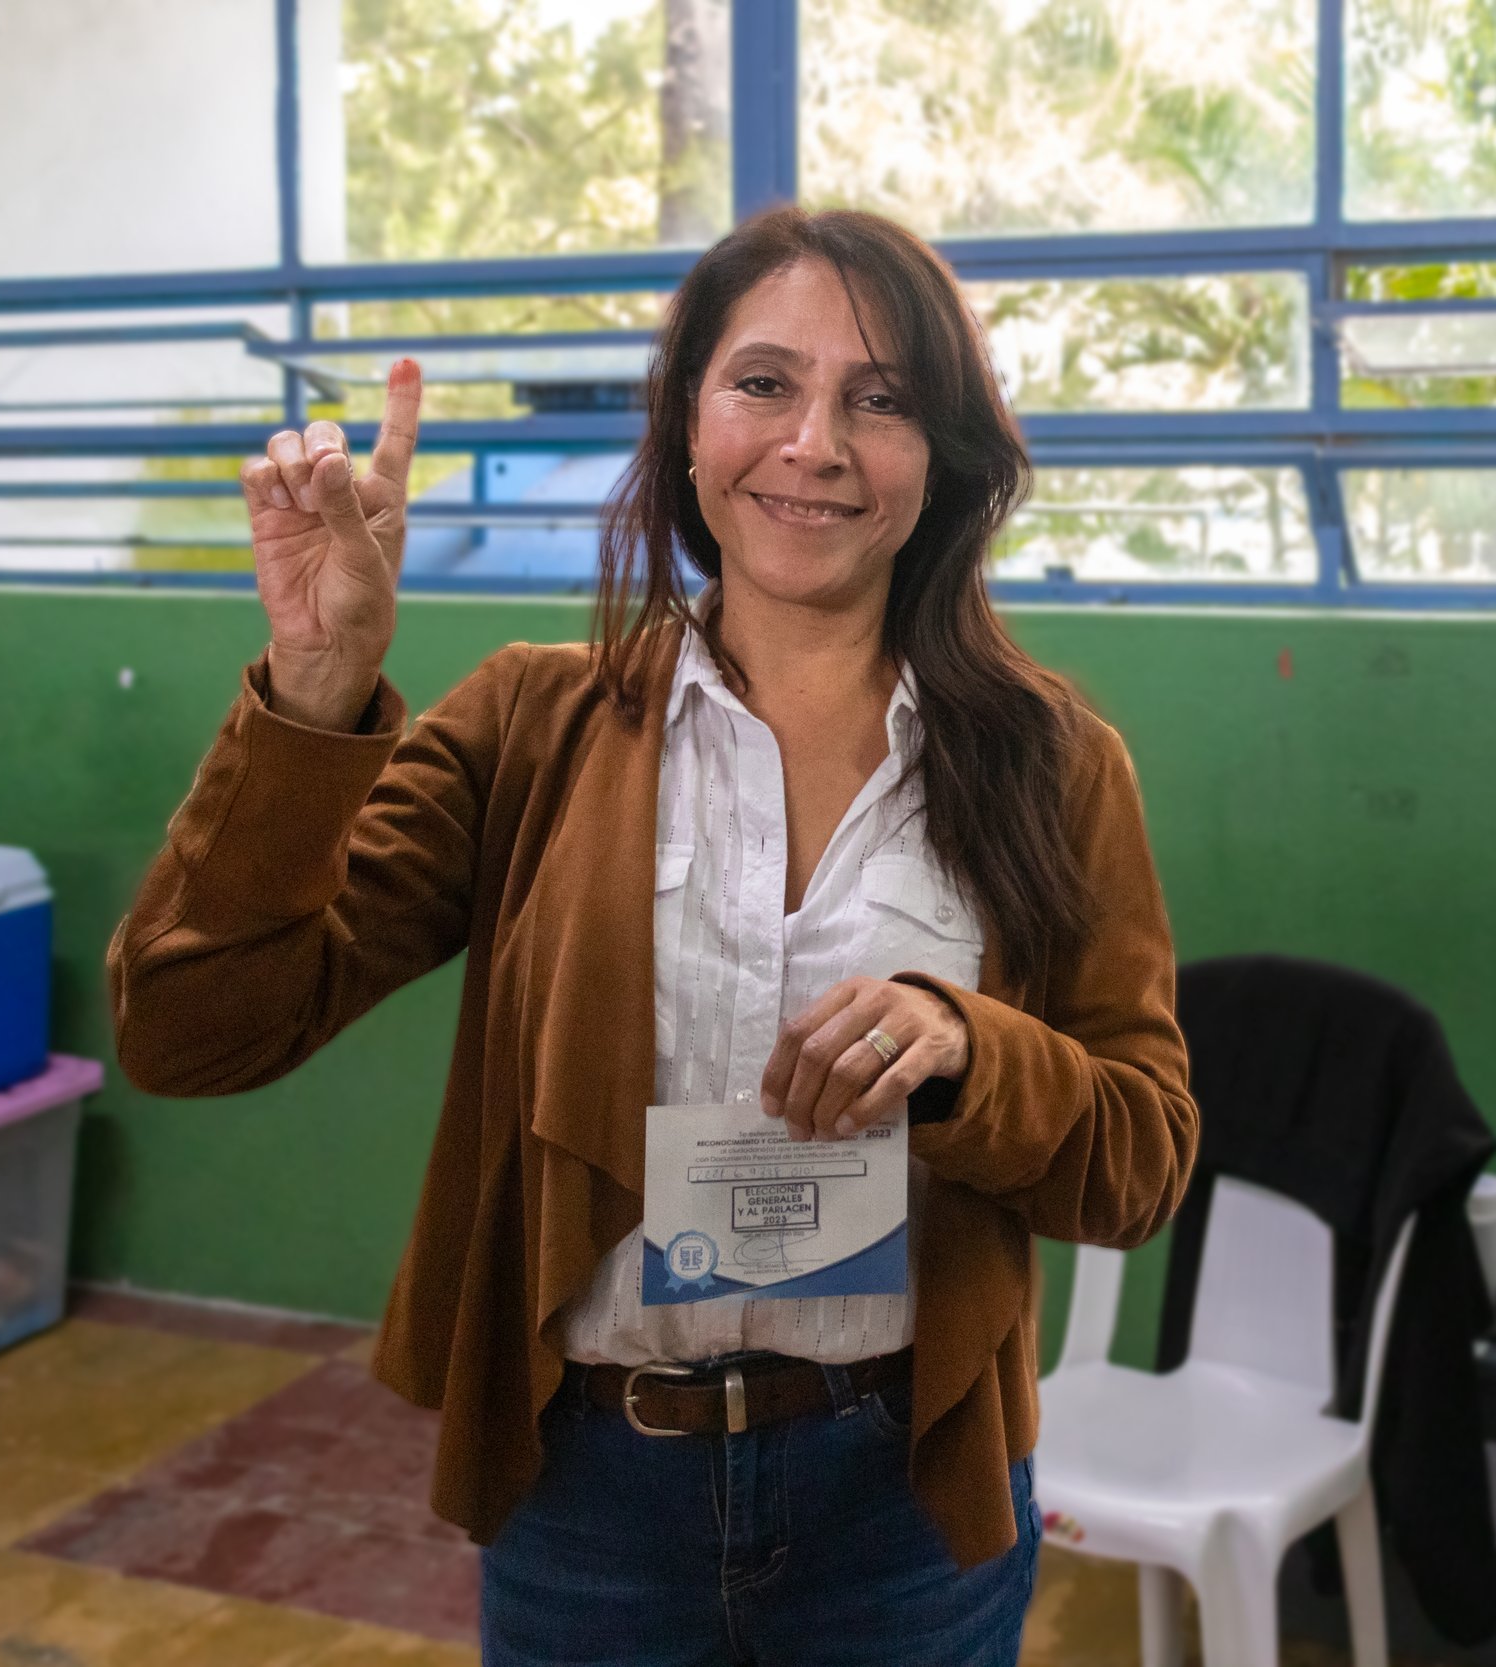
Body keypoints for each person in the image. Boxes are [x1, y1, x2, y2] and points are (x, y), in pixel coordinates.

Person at [107, 206, 1198, 1666]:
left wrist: (964, 1052)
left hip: (906, 1493)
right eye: (764, 383)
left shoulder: (1054, 761)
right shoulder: (528, 727)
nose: (814, 441)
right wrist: (315, 688)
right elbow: (194, 1028)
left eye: (880, 400)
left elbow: (1141, 1157)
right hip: (593, 1504)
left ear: (940, 459)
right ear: (688, 426)